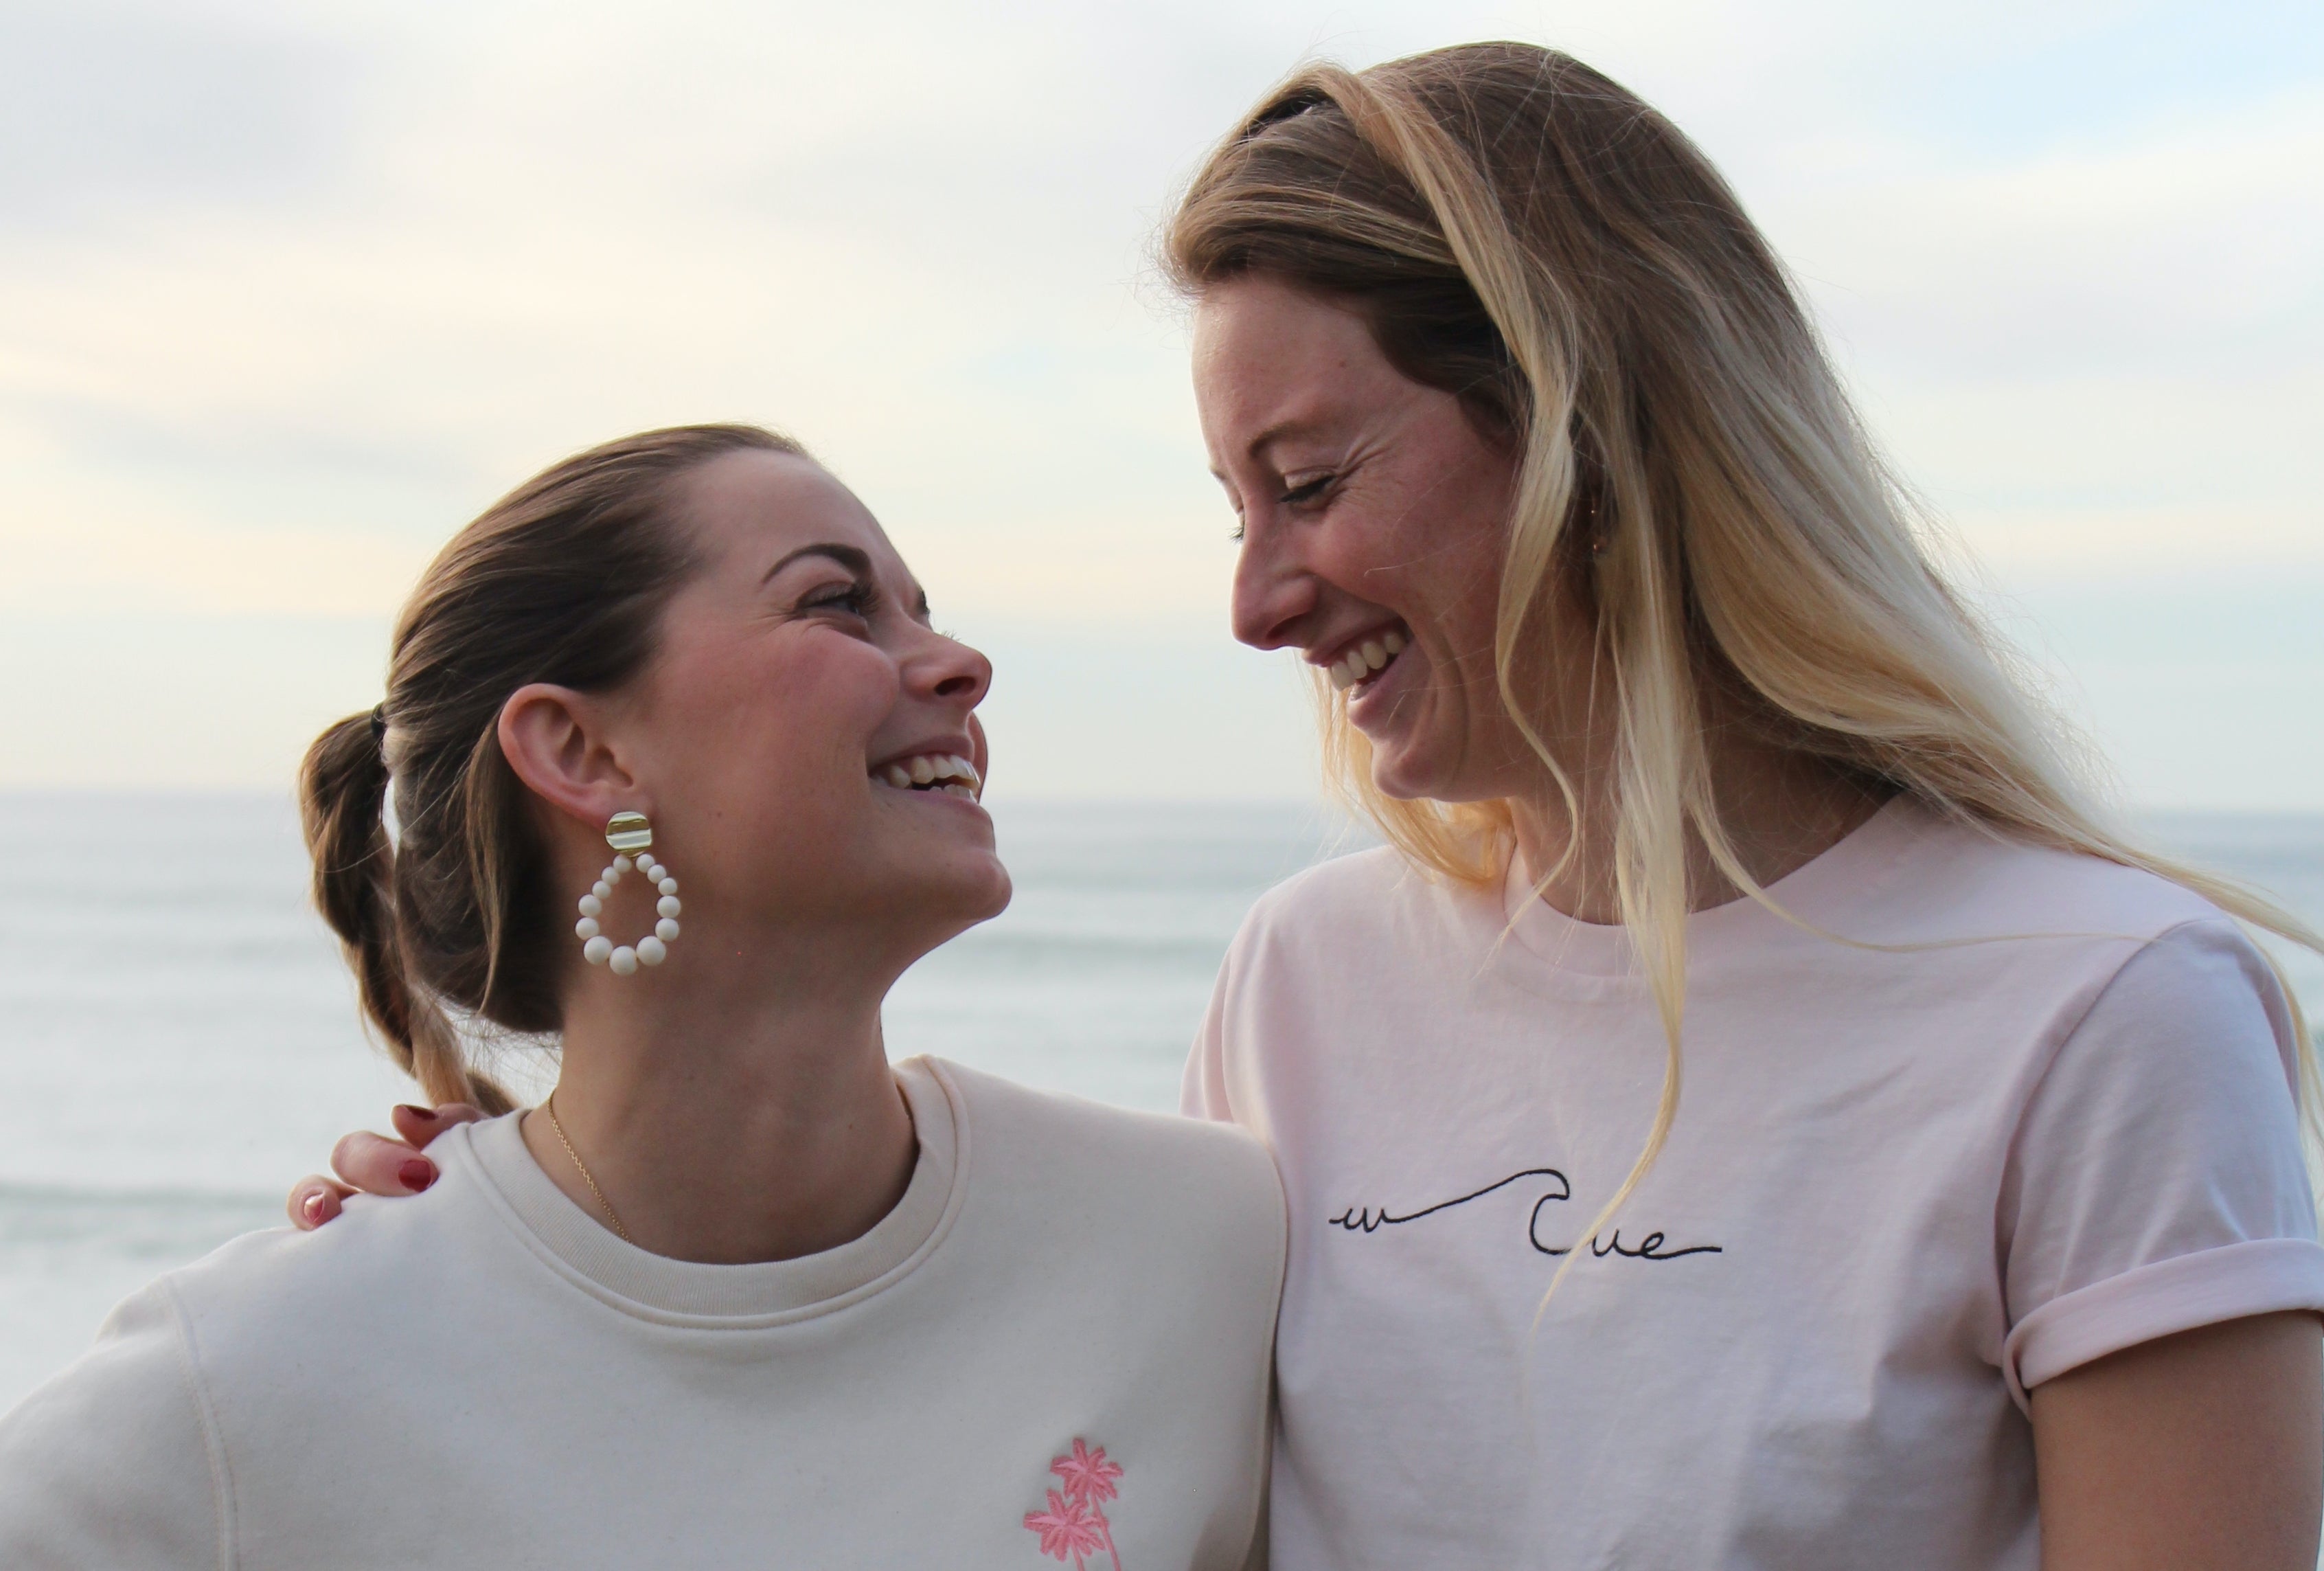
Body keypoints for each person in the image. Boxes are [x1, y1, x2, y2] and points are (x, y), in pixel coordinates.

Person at [293, 43, 2324, 1571]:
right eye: (1237, 506)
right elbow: (1015, 1422)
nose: (1259, 600)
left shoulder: (2098, 1008)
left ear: (1595, 429)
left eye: (1317, 482)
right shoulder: (1307, 980)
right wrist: (509, 1251)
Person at [0, 425, 1281, 1569]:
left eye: (922, 609)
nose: (960, 663)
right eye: (840, 606)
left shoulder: (1202, 1242)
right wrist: (405, 1284)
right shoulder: (260, 1375)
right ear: (584, 751)